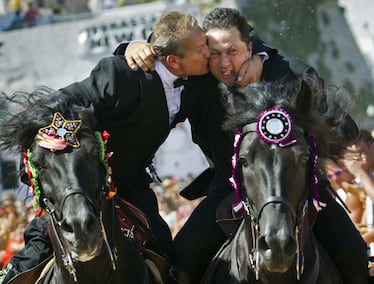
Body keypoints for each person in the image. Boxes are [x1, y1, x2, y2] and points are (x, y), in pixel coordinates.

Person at [122, 7, 368, 283]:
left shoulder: (291, 71)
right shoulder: (199, 82)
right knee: (182, 257)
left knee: (355, 253)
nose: (224, 64)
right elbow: (167, 60)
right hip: (228, 187)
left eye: (233, 51)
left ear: (250, 46)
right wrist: (132, 48)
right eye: (215, 54)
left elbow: (347, 129)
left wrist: (271, 82)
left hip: (300, 187)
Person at [0, 11, 216, 283]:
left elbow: (175, 43)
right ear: (173, 62)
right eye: (202, 48)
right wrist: (39, 164)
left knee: (165, 252)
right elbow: (57, 105)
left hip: (132, 184)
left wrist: (136, 44)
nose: (210, 51)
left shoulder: (196, 80)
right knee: (36, 249)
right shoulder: (120, 74)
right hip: (86, 184)